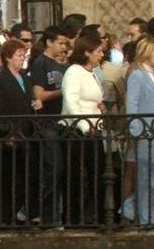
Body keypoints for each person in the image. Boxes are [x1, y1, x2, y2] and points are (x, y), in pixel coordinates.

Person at [0, 39, 39, 225]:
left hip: (27, 132)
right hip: (10, 135)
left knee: (26, 176)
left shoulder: (25, 77)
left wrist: (36, 103)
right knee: (9, 178)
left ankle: (21, 213)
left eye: (23, 55)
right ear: (8, 57)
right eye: (18, 55)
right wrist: (7, 133)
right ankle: (4, 217)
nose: (22, 59)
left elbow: (29, 99)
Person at [61, 34, 107, 224]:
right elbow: (71, 101)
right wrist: (83, 125)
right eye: (98, 51)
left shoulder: (92, 72)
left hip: (94, 128)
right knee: (76, 176)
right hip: (76, 130)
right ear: (87, 53)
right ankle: (73, 218)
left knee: (99, 172)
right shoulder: (74, 71)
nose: (102, 55)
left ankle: (98, 215)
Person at [121, 38, 154, 226]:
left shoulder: (152, 75)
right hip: (144, 132)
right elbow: (132, 105)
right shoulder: (138, 75)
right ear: (147, 52)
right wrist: (136, 130)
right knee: (146, 174)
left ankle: (130, 209)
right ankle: (149, 217)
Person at [31, 26, 71, 224]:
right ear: (49, 42)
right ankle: (45, 215)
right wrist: (63, 91)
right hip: (48, 122)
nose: (63, 47)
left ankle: (60, 214)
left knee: (63, 169)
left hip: (62, 122)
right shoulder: (41, 63)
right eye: (60, 43)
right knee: (53, 168)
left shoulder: (63, 65)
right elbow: (39, 94)